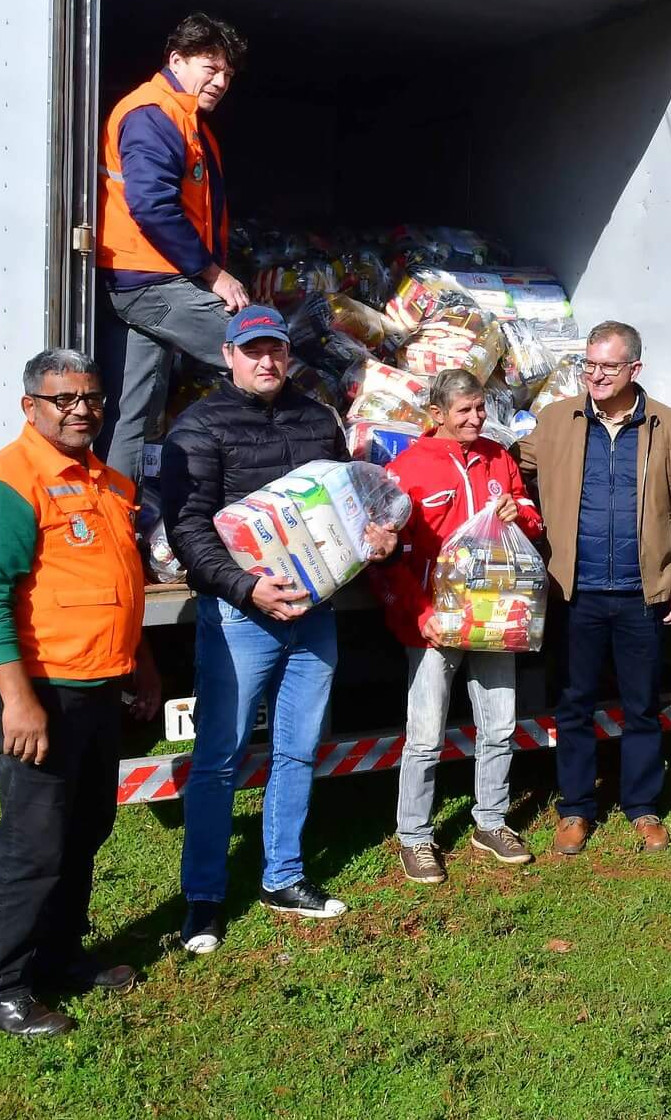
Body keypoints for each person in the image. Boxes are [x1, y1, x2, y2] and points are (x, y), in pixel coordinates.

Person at [159, 305, 397, 953]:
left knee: (298, 749)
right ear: (229, 356)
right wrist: (247, 587)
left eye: (276, 348)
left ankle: (283, 877)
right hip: (241, 617)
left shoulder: (317, 417)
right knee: (218, 760)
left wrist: (374, 540)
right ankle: (204, 899)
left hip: (313, 614)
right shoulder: (201, 425)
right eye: (253, 349)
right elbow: (189, 528)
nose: (267, 360)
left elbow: (349, 504)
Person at [0, 348, 162, 1036]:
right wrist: (18, 700)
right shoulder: (6, 482)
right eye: (63, 400)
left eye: (91, 398)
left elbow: (119, 584)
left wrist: (143, 661)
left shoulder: (109, 482)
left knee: (85, 829)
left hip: (99, 685)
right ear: (30, 407)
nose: (81, 411)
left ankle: (60, 956)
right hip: (40, 691)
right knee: (32, 842)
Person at [517, 321, 671, 856]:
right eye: (589, 364)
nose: (596, 375)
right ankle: (576, 809)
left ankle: (643, 807)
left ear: (634, 370)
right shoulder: (557, 420)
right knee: (574, 702)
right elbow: (510, 466)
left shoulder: (669, 428)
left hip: (639, 593)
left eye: (609, 366)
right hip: (575, 593)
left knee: (641, 703)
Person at [371, 369, 544, 885]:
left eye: (479, 409)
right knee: (425, 735)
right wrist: (416, 613)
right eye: (464, 411)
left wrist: (521, 514)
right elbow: (388, 554)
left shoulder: (498, 456)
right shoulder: (408, 468)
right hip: (435, 619)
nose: (475, 419)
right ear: (438, 414)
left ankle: (491, 821)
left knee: (500, 723)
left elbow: (531, 520)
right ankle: (415, 837)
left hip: (495, 612)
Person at [94, 13, 250, 487]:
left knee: (134, 413)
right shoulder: (153, 116)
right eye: (210, 67)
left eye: (227, 73)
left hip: (147, 279)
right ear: (176, 60)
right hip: (152, 280)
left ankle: (121, 514)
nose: (221, 81)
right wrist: (212, 273)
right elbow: (152, 207)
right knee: (259, 352)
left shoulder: (186, 120)